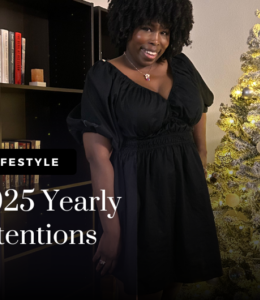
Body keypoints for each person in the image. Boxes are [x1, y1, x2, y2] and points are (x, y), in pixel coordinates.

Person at [67, 0, 223, 299]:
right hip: (139, 192)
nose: (156, 40)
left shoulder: (182, 64)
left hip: (185, 188)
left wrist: (201, 154)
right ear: (127, 26)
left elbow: (200, 105)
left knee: (178, 277)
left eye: (165, 32)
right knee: (146, 283)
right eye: (146, 28)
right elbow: (98, 160)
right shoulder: (102, 77)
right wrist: (111, 230)